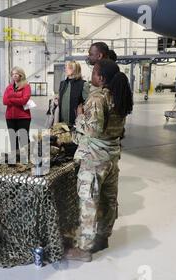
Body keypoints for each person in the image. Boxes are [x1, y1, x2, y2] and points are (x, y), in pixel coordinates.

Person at [65, 59, 133, 262]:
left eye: (94, 72)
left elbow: (93, 130)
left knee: (89, 202)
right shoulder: (119, 96)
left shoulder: (97, 98)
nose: (91, 75)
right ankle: (102, 238)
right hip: (111, 158)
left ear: (101, 77)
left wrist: (79, 116)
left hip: (94, 160)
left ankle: (84, 249)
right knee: (108, 200)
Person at [2, 66, 31, 152]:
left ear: (21, 75)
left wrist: (11, 99)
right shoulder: (9, 87)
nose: (14, 76)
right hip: (10, 117)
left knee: (24, 139)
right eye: (13, 74)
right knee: (13, 139)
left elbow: (24, 100)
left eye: (16, 74)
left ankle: (27, 157)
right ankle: (15, 158)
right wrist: (17, 99)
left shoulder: (26, 86)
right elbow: (4, 101)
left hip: (23, 117)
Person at [57, 61, 87, 128]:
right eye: (66, 67)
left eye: (69, 68)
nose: (66, 69)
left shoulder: (83, 84)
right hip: (62, 122)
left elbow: (87, 103)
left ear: (75, 70)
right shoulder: (62, 84)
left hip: (76, 122)